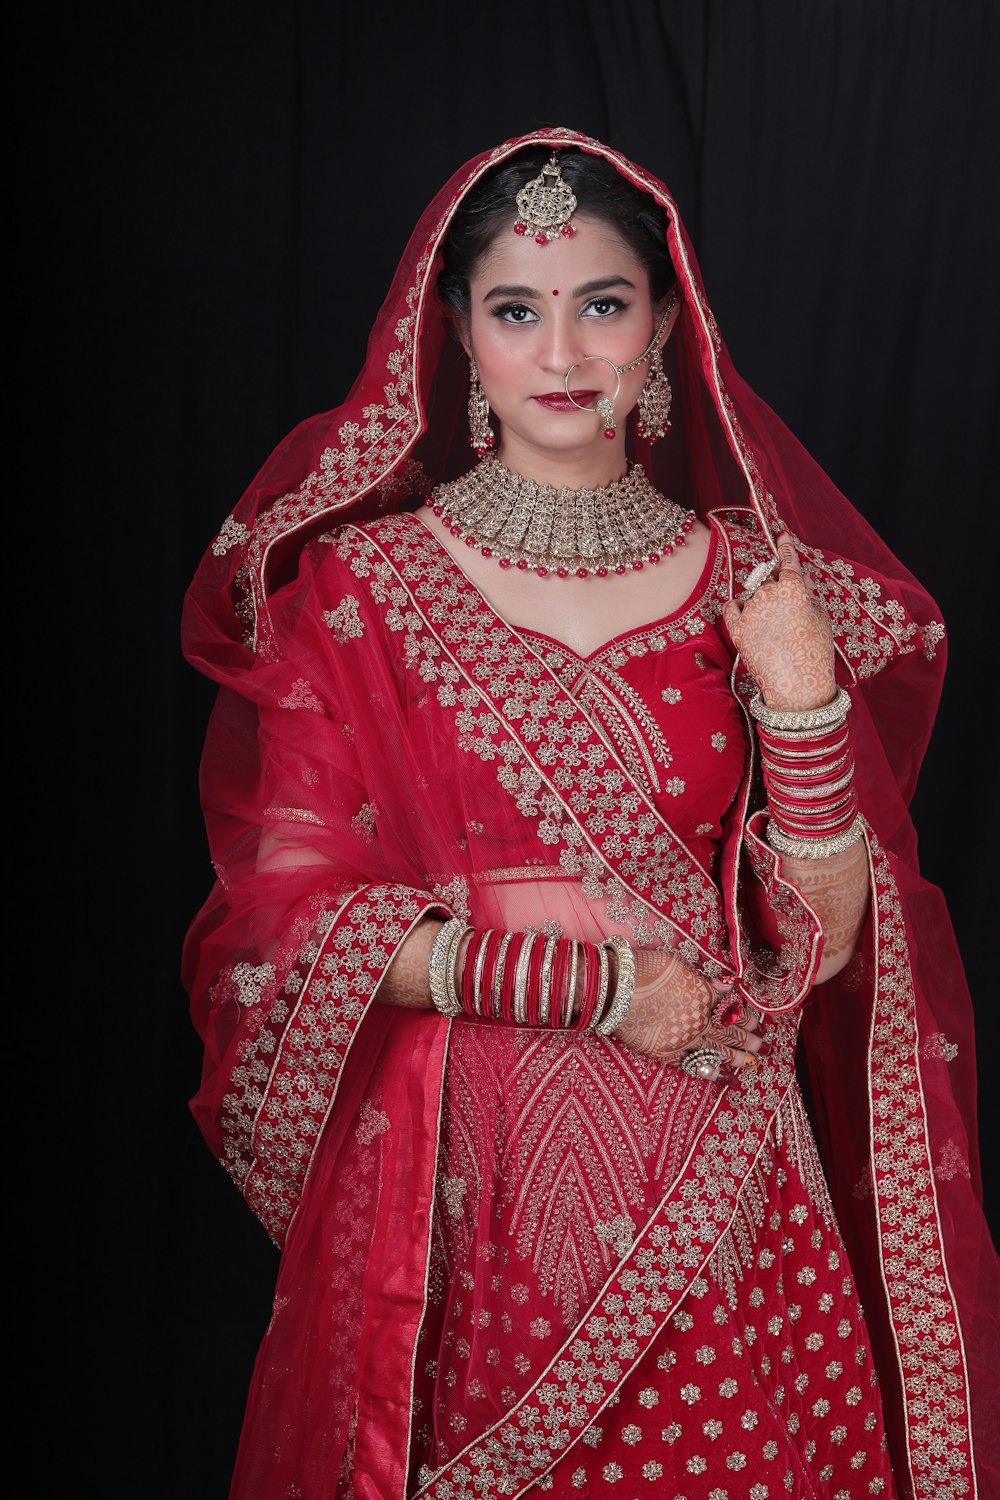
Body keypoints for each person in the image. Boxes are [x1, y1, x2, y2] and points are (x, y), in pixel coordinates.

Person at [181, 129, 998, 1498]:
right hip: (474, 1187)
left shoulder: (751, 578)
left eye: (602, 304)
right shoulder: (354, 594)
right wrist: (594, 983)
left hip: (730, 1163)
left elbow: (829, 936)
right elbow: (282, 919)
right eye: (516, 310)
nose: (562, 352)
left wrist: (799, 699)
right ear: (458, 337)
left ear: (668, 328)